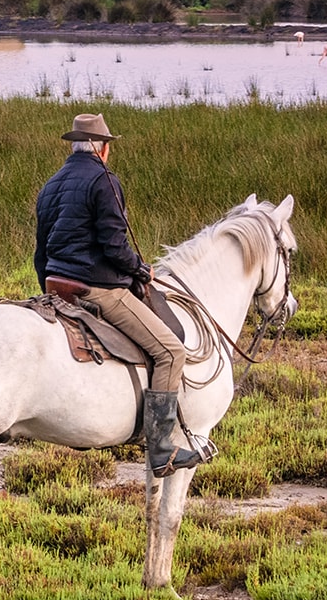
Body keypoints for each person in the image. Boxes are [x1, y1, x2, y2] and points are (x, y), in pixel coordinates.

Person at [34, 112, 202, 477]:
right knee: (171, 352)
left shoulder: (51, 185)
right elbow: (114, 245)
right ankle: (161, 449)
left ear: (75, 146)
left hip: (56, 286)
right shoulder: (104, 180)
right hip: (97, 288)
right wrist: (141, 270)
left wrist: (48, 287)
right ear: (103, 148)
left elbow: (40, 252)